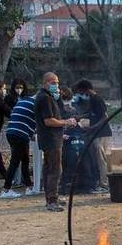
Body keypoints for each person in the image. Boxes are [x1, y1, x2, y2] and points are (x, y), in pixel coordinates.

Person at [34, 72, 78, 211]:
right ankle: (52, 201)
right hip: (51, 138)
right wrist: (66, 122)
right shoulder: (45, 98)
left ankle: (52, 197)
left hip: (49, 138)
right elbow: (49, 121)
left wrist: (58, 100)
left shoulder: (47, 97)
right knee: (55, 169)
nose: (56, 86)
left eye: (57, 83)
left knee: (48, 168)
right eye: (53, 83)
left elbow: (57, 113)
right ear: (45, 83)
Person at [75, 79, 112, 193]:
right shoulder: (91, 99)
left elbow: (104, 117)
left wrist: (92, 128)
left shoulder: (98, 99)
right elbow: (92, 114)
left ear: (86, 89)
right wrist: (80, 117)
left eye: (81, 91)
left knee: (101, 159)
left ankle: (104, 184)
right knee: (96, 158)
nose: (81, 94)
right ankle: (98, 181)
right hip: (96, 132)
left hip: (102, 132)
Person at [0, 88, 36, 199]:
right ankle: (6, 189)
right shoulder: (36, 104)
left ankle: (29, 187)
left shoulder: (24, 101)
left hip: (12, 132)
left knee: (24, 160)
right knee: (15, 162)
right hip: (20, 134)